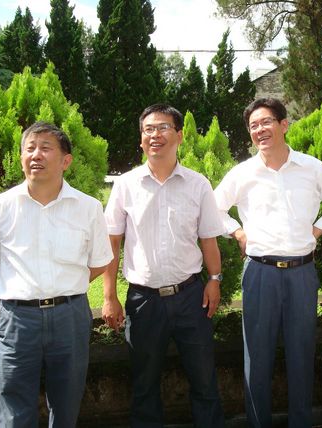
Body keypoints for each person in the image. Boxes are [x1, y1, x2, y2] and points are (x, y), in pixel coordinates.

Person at [214, 98, 322, 427]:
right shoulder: (243, 173)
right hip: (259, 273)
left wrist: (318, 230)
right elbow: (213, 207)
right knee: (257, 357)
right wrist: (237, 232)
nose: (260, 130)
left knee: (301, 354)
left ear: (283, 125)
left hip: (301, 273)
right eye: (253, 126)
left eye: (266, 122)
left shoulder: (311, 168)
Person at [0, 122, 113, 427]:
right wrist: (25, 286)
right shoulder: (0, 206)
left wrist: (64, 287)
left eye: (46, 148)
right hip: (18, 319)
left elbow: (100, 262)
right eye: (30, 148)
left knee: (67, 403)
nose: (36, 155)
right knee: (14, 408)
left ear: (66, 160)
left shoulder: (88, 208)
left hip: (69, 317)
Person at [102, 104, 225, 427]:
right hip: (144, 301)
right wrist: (109, 296)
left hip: (191, 297)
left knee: (204, 379)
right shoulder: (126, 185)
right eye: (148, 129)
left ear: (179, 135)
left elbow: (208, 239)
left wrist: (214, 279)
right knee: (144, 384)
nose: (155, 135)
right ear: (141, 139)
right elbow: (111, 243)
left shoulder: (198, 184)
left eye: (163, 128)